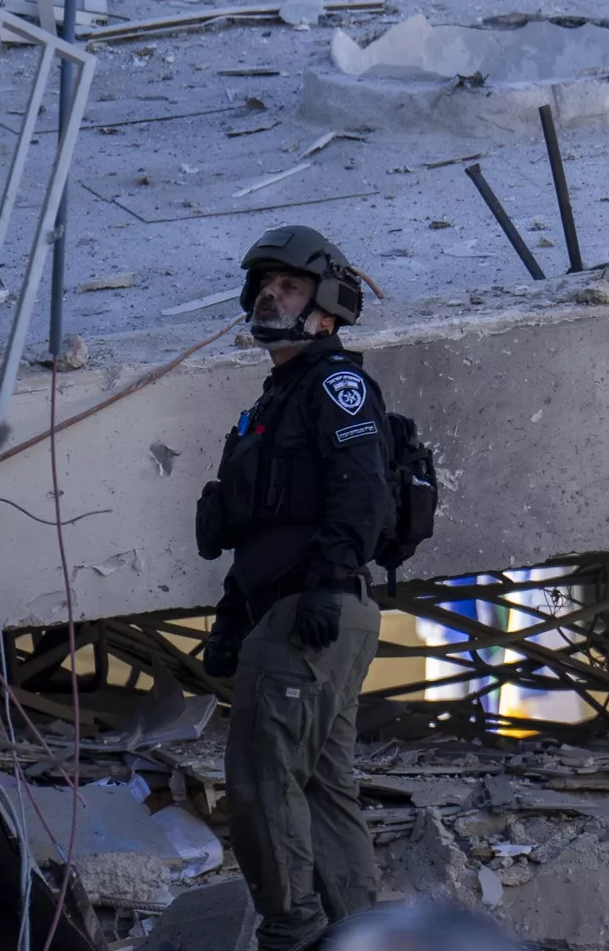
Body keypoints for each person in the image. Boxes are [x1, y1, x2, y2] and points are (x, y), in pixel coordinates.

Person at [195, 225, 392, 951]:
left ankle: (295, 934)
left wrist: (326, 582)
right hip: (291, 614)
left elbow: (363, 490)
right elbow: (261, 525)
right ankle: (358, 936)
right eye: (266, 286)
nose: (271, 296)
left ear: (328, 309)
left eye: (291, 287)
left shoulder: (334, 386)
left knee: (260, 780)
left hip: (312, 616)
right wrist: (229, 616)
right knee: (320, 785)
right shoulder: (276, 399)